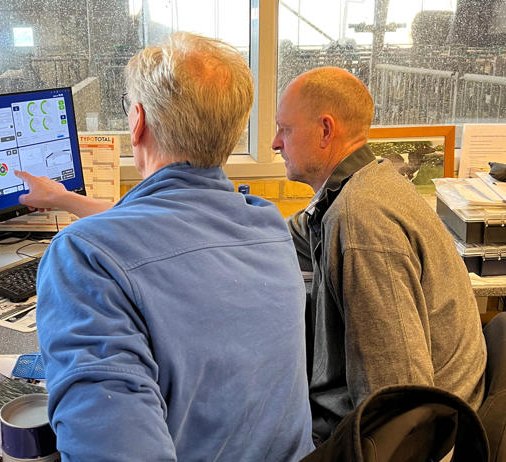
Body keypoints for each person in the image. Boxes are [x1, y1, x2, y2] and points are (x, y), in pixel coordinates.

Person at [25, 32, 314, 461]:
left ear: (137, 121)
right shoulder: (267, 223)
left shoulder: (84, 257)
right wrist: (66, 199)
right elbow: (166, 219)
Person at [273, 67, 486, 445]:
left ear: (325, 130)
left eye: (284, 130)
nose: (275, 143)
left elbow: (398, 406)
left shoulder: (361, 221)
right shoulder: (366, 183)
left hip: (415, 441)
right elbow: (289, 235)